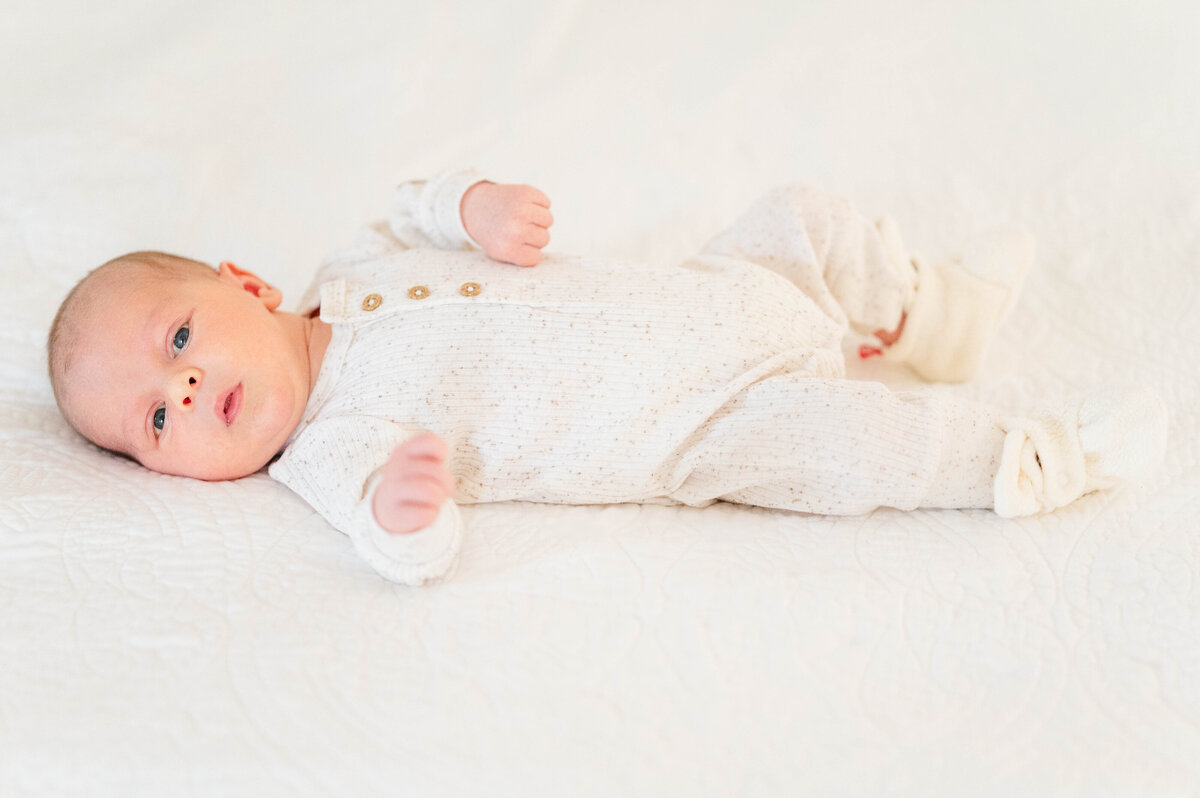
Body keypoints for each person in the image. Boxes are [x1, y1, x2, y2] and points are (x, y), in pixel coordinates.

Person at [46, 170, 1167, 585]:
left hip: (717, 290)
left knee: (802, 216)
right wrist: (404, 517)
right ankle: (1038, 458)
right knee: (851, 450)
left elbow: (411, 204)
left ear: (244, 282)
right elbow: (400, 546)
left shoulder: (352, 269)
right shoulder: (329, 450)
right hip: (699, 425)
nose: (183, 393)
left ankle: (942, 320)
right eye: (151, 419)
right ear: (161, 466)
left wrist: (471, 208)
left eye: (179, 341)